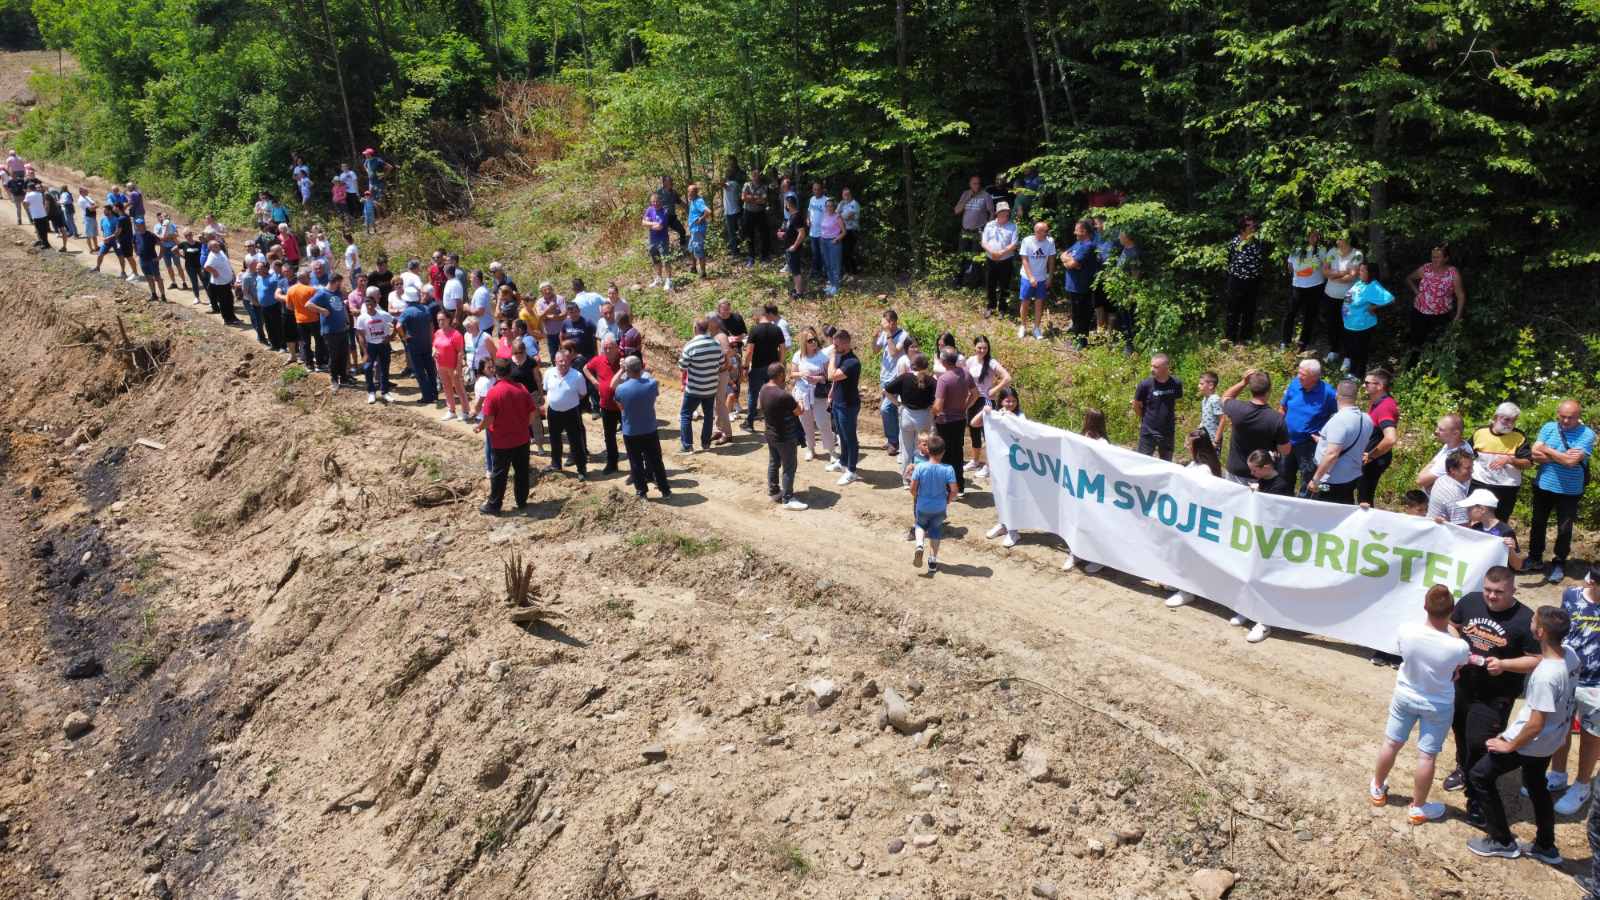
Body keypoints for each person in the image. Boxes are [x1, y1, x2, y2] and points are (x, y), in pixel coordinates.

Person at [1466, 605, 1577, 863]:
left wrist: (1510, 744)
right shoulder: (1570, 656)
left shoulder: (1546, 676)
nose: (1530, 621)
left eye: (1534, 620)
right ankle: (1546, 846)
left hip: (1531, 741)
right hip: (1552, 740)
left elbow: (1535, 724)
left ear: (1539, 632)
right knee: (1537, 785)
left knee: (1480, 776)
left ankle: (1502, 840)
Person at [1442, 567, 1542, 829]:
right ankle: (1463, 769)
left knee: (1479, 743)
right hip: (1463, 685)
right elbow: (1453, 625)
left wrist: (1505, 665)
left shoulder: (1524, 618)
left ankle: (1476, 798)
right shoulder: (1471, 601)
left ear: (1513, 590)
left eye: (1499, 592)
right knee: (1460, 732)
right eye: (1488, 589)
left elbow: (1535, 659)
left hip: (1496, 695)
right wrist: (1460, 646)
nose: (1491, 596)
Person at [1369, 584, 1471, 825]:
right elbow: (1462, 660)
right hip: (1438, 704)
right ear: (1452, 610)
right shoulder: (1458, 645)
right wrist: (1452, 630)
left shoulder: (1406, 631)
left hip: (1405, 695)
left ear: (1425, 606)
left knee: (1391, 743)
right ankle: (1418, 807)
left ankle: (1377, 787)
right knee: (1426, 757)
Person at [1549, 572, 1600, 818]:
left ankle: (1582, 785)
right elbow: (1560, 629)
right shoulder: (1571, 596)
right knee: (1561, 726)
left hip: (1597, 685)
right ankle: (1557, 774)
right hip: (1569, 674)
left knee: (1592, 736)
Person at [1529, 399, 1595, 584]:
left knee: (1564, 528)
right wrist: (1560, 456)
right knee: (1538, 522)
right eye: (1563, 417)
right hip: (1544, 485)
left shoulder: (1587, 434)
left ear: (1579, 417)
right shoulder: (1549, 427)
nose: (1566, 422)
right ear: (1558, 414)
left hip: (1570, 489)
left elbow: (1570, 462)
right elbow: (1534, 454)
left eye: (1571, 418)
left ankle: (1559, 561)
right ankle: (1534, 557)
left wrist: (1547, 450)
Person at [473, 358, 538, 515]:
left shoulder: (494, 392)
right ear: (511, 371)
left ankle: (494, 505)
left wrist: (479, 427)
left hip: (502, 442)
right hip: (522, 439)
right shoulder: (521, 388)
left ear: (496, 371)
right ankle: (521, 501)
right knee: (521, 471)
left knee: (499, 474)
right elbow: (533, 413)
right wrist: (524, 426)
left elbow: (488, 420)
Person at [611, 355, 672, 500]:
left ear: (626, 369)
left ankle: (641, 491)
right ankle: (665, 490)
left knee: (636, 462)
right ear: (641, 367)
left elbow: (620, 406)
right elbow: (653, 398)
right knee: (656, 460)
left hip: (631, 431)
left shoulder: (621, 389)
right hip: (649, 429)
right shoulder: (652, 384)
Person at [1221, 369, 1292, 485]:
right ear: (1269, 391)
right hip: (1262, 475)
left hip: (1234, 472)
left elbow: (1225, 397)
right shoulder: (1276, 419)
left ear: (1250, 389)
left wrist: (1243, 382)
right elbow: (1285, 450)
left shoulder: (1236, 409)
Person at [1305, 380, 1372, 504]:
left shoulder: (1339, 420)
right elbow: (1351, 441)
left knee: (1322, 509)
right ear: (1355, 396)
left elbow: (1332, 454)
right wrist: (1323, 441)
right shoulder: (1366, 419)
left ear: (1337, 395)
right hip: (1351, 477)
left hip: (1330, 481)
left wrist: (1316, 480)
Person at [754, 362, 809, 510]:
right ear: (780, 375)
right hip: (785, 436)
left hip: (770, 434)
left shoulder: (763, 389)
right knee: (789, 466)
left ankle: (774, 491)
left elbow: (760, 407)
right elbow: (799, 412)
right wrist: (801, 402)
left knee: (774, 463)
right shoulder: (784, 395)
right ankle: (788, 498)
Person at [1280, 359, 1338, 495]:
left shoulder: (1328, 394)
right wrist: (1278, 430)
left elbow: (1339, 417)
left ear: (1315, 377)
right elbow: (1283, 407)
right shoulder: (1295, 384)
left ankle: (1303, 507)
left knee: (1308, 480)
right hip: (1287, 440)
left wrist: (1326, 436)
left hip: (1309, 445)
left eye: (1303, 375)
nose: (1299, 376)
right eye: (1299, 373)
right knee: (1284, 475)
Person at [1468, 402, 1533, 521]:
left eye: (1513, 421)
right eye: (1506, 420)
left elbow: (1528, 463)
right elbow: (1466, 455)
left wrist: (1510, 460)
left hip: (1506, 487)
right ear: (1495, 417)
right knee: (1475, 520)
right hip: (1480, 483)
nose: (1509, 424)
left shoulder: (1519, 437)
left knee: (1499, 523)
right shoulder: (1480, 432)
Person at [1404, 244, 1466, 364]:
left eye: (1438, 257)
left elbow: (1461, 295)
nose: (1434, 260)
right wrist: (1417, 292)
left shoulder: (1452, 273)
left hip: (1441, 315)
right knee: (1416, 342)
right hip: (1419, 312)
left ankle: (1433, 371)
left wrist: (1458, 316)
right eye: (1433, 257)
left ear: (1446, 258)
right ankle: (1412, 369)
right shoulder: (1425, 269)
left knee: (1438, 344)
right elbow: (1409, 278)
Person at [964, 336, 1011, 480]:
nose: (982, 350)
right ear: (974, 347)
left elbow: (1007, 377)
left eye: (985, 348)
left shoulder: (991, 362)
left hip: (986, 401)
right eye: (979, 347)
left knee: (988, 434)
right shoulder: (970, 361)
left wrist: (994, 390)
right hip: (973, 399)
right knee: (974, 432)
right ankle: (975, 460)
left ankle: (989, 466)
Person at [910, 434, 958, 573]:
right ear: (943, 452)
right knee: (935, 531)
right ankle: (932, 561)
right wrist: (947, 501)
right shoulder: (948, 469)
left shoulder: (920, 467)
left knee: (920, 524)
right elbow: (954, 490)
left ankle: (919, 545)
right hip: (939, 506)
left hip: (923, 505)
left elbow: (913, 488)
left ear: (928, 451)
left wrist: (917, 497)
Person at [1339, 262, 1393, 378]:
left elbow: (1390, 299)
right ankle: (1352, 371)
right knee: (1352, 350)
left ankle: (1358, 375)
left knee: (1360, 352)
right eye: (1360, 270)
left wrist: (1374, 307)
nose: (1360, 272)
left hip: (1362, 325)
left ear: (1371, 273)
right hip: (1350, 324)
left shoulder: (1373, 286)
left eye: (1363, 270)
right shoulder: (1360, 282)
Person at [677, 318, 723, 453]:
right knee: (708, 415)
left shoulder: (690, 345)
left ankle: (687, 445)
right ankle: (706, 443)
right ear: (707, 328)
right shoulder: (716, 344)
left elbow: (682, 367)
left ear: (695, 329)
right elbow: (720, 363)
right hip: (710, 387)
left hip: (694, 388)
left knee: (686, 415)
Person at [543, 349, 589, 479]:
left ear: (570, 361)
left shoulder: (577, 376)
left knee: (576, 441)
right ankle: (556, 464)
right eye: (560, 361)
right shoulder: (548, 373)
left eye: (565, 361)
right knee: (555, 439)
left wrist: (568, 401)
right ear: (555, 361)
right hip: (553, 412)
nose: (563, 363)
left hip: (571, 412)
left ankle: (581, 469)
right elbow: (546, 390)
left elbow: (582, 393)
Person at [791, 328, 835, 463]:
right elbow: (792, 374)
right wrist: (801, 374)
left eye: (815, 339)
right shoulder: (798, 356)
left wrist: (818, 378)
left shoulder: (823, 356)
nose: (814, 342)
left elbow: (829, 376)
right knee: (806, 423)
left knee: (823, 423)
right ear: (804, 343)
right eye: (810, 340)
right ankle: (810, 448)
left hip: (819, 393)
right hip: (802, 394)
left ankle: (831, 451)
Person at [826, 330, 864, 486]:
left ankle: (852, 471)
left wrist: (833, 357)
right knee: (841, 435)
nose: (834, 347)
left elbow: (831, 376)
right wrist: (831, 393)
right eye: (833, 343)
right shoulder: (842, 357)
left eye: (836, 344)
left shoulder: (852, 362)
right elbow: (835, 381)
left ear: (846, 343)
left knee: (850, 437)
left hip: (848, 405)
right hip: (837, 402)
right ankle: (842, 462)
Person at [744, 304, 788, 432]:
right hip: (773, 368)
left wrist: (745, 366)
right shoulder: (777, 329)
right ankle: (773, 422)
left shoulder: (755, 330)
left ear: (759, 315)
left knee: (753, 394)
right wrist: (780, 364)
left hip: (758, 367)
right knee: (772, 394)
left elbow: (749, 351)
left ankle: (750, 423)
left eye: (754, 317)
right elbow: (782, 349)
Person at [1359, 369, 1400, 505]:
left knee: (1365, 499)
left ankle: (1366, 525)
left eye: (1367, 383)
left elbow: (1391, 438)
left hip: (1375, 460)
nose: (1364, 385)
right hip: (1371, 459)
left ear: (1379, 386)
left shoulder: (1385, 407)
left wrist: (1371, 456)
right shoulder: (1377, 403)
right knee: (1363, 495)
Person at [1132, 353, 1183, 461]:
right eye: (1151, 366)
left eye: (1155, 367)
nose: (1152, 369)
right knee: (1142, 462)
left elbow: (1177, 402)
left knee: (1166, 463)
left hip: (1168, 432)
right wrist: (1145, 418)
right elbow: (1136, 405)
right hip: (1148, 431)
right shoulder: (1145, 385)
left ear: (1166, 368)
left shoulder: (1176, 383)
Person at [1461, 488, 1527, 570]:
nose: (1466, 511)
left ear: (1482, 509)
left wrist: (1511, 550)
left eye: (1469, 508)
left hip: (1496, 578)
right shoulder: (1475, 528)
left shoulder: (1505, 531)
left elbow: (1517, 566)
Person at [308, 273, 354, 389]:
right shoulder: (322, 293)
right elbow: (308, 304)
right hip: (330, 330)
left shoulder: (337, 292)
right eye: (340, 282)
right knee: (334, 356)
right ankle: (334, 379)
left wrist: (347, 321)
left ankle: (343, 377)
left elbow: (343, 305)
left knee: (343, 354)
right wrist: (321, 310)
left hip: (342, 328)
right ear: (336, 282)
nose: (341, 285)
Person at [584, 337, 624, 474]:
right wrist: (594, 382)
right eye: (605, 347)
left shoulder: (624, 360)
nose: (607, 350)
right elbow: (585, 368)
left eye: (610, 347)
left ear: (617, 348)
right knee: (609, 436)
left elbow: (641, 368)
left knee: (630, 436)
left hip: (624, 406)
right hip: (607, 406)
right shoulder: (598, 360)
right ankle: (612, 463)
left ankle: (638, 467)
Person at [1222, 217, 1264, 343]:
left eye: (1253, 225)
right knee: (1233, 309)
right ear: (1243, 229)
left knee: (1249, 310)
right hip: (1236, 280)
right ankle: (1230, 338)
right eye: (1250, 226)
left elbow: (1260, 260)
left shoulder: (1257, 242)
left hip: (1252, 281)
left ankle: (1245, 338)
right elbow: (1229, 259)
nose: (1253, 228)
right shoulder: (1234, 242)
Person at [1059, 219, 1100, 346]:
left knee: (1083, 315)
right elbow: (1063, 255)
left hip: (1082, 287)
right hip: (1073, 286)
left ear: (1085, 231)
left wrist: (1071, 263)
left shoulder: (1088, 246)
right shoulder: (1078, 244)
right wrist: (1070, 262)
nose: (1074, 232)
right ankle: (1076, 338)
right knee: (1076, 315)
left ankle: (1082, 342)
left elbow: (1072, 264)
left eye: (1077, 229)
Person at [399, 290, 439, 405]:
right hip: (426, 343)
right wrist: (431, 340)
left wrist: (404, 337)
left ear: (407, 300)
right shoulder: (425, 309)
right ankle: (434, 393)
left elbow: (398, 325)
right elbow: (431, 325)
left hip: (414, 345)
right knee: (430, 370)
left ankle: (427, 396)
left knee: (420, 371)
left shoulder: (407, 312)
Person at [953, 175, 994, 287]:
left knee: (976, 259)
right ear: (970, 184)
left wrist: (987, 229)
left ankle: (974, 284)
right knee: (962, 256)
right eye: (974, 183)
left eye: (978, 183)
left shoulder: (986, 196)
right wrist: (967, 198)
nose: (977, 186)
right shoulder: (965, 194)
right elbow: (957, 211)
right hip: (965, 231)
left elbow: (992, 213)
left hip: (978, 232)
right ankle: (958, 282)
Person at [1416, 413, 1473, 491]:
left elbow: (1420, 481)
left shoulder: (1455, 456)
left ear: (1455, 433)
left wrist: (1429, 466)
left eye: (1441, 429)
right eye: (1437, 427)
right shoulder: (1452, 444)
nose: (1436, 431)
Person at [1017, 221, 1055, 340]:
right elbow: (1024, 260)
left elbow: (1051, 260)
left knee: (1039, 303)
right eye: (1037, 231)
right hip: (1027, 276)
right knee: (1025, 302)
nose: (1039, 233)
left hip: (1042, 277)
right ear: (1034, 230)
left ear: (1046, 232)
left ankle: (1036, 328)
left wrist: (1050, 276)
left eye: (1042, 231)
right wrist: (1030, 277)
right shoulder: (1027, 241)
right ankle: (1023, 326)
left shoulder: (1050, 242)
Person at [356, 293, 396, 403]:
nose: (369, 306)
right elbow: (360, 335)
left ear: (375, 304)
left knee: (384, 368)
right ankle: (371, 392)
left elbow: (396, 322)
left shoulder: (383, 315)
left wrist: (392, 335)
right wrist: (365, 351)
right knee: (368, 368)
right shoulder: (361, 318)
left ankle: (385, 391)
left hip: (383, 345)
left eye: (371, 303)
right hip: (370, 345)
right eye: (367, 303)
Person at [981, 202, 1019, 317]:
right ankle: (990, 306)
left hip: (1005, 260)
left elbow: (1014, 244)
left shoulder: (1013, 226)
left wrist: (1001, 253)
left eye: (1006, 211)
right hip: (990, 259)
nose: (1005, 213)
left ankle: (1003, 308)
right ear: (997, 213)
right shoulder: (989, 225)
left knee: (1004, 285)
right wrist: (992, 252)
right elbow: (984, 242)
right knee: (990, 283)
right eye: (1002, 211)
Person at [1426, 450, 1473, 524]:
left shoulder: (1442, 479)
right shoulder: (1455, 494)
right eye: (1467, 468)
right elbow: (1462, 530)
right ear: (1453, 470)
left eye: (1471, 467)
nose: (1472, 471)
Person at [203, 239, 239, 324]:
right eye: (215, 246)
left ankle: (232, 317)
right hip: (220, 284)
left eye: (218, 245)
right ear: (210, 248)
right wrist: (214, 272)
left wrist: (232, 273)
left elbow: (227, 263)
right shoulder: (212, 257)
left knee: (230, 300)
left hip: (226, 281)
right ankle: (227, 319)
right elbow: (206, 266)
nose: (218, 246)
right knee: (224, 302)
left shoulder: (220, 252)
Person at [643, 192, 674, 291]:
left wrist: (650, 224)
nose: (655, 203)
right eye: (653, 202)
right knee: (656, 260)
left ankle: (669, 280)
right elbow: (643, 223)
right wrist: (653, 223)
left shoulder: (664, 211)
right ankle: (659, 278)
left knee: (666, 260)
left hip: (662, 240)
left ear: (660, 201)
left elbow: (659, 227)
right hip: (652, 240)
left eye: (656, 201)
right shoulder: (649, 209)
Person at [779, 196, 808, 298]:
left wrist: (795, 246)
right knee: (793, 270)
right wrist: (783, 235)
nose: (785, 206)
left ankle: (800, 293)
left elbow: (802, 233)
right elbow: (791, 232)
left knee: (796, 271)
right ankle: (796, 289)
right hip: (789, 248)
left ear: (788, 204)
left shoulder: (796, 217)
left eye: (785, 204)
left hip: (794, 249)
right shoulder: (792, 216)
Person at [132, 220, 167, 303]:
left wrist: (159, 257)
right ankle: (154, 294)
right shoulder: (135, 235)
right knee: (148, 277)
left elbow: (162, 245)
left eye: (139, 224)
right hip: (143, 260)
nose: (137, 226)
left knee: (157, 278)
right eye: (136, 225)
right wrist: (136, 252)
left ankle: (163, 296)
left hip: (152, 260)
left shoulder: (151, 235)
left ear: (143, 225)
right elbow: (134, 244)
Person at [817, 198, 845, 296]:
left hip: (834, 243)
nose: (829, 207)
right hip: (823, 242)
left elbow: (844, 232)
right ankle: (832, 284)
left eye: (831, 206)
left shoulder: (838, 217)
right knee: (827, 265)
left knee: (835, 266)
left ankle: (836, 287)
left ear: (834, 207)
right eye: (827, 206)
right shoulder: (824, 215)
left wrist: (836, 239)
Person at [740, 171, 770, 264]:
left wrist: (751, 198)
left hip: (760, 213)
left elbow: (763, 200)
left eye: (756, 175)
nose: (755, 177)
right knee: (749, 235)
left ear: (759, 177)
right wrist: (756, 198)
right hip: (748, 213)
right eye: (753, 175)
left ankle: (764, 257)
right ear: (751, 177)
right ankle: (751, 257)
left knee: (763, 235)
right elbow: (743, 198)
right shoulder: (747, 185)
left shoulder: (764, 186)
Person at [685, 183, 709, 277]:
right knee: (691, 248)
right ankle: (693, 267)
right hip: (693, 230)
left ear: (695, 192)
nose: (688, 194)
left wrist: (701, 219)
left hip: (698, 230)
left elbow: (708, 211)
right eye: (688, 191)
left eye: (690, 192)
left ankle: (703, 273)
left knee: (698, 250)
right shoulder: (693, 201)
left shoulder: (699, 201)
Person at [838, 187, 861, 275]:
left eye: (847, 194)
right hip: (843, 231)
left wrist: (840, 216)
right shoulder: (842, 203)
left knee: (849, 252)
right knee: (843, 252)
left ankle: (854, 271)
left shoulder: (854, 204)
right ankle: (847, 271)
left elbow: (849, 216)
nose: (846, 196)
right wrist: (840, 214)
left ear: (851, 195)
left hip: (852, 231)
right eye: (844, 195)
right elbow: (836, 214)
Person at [1197, 372, 1222, 446]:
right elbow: (1205, 418)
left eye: (1201, 384)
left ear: (1210, 385)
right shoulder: (1204, 399)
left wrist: (1216, 440)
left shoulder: (1215, 399)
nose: (1198, 386)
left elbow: (1222, 420)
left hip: (1213, 439)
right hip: (1205, 437)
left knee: (1212, 457)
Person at [24, 182, 51, 249]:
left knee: (39, 230)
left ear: (29, 188)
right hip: (43, 214)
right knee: (44, 230)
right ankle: (45, 242)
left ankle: (45, 244)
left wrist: (27, 207)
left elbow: (25, 204)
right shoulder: (39, 194)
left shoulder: (28, 195)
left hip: (36, 215)